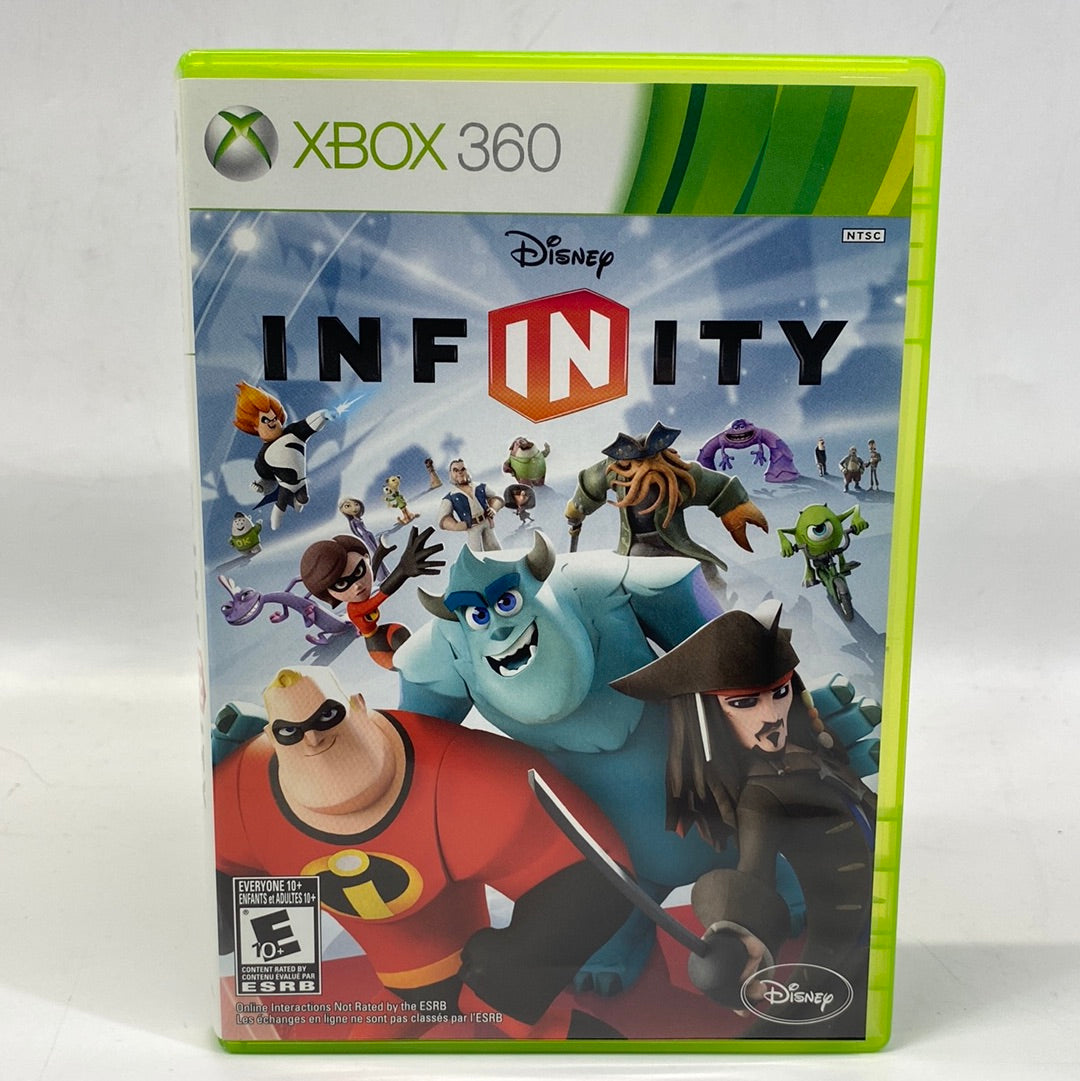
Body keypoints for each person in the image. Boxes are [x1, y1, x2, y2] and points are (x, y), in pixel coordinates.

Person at [213, 665, 632, 1038]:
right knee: (365, 1046)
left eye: (326, 716)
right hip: (405, 978)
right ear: (272, 737)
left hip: (476, 965)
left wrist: (521, 965)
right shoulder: (244, 792)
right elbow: (216, 873)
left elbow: (596, 869)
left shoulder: (464, 775)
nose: (313, 739)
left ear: (357, 706)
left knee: (508, 1002)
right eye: (291, 731)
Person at [610, 604, 876, 1035]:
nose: (771, 715)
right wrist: (736, 941)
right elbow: (755, 870)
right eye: (744, 702)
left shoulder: (812, 753)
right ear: (710, 713)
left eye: (779, 693)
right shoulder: (759, 796)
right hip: (845, 943)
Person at [565, 422, 767, 575]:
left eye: (653, 457)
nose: (647, 465)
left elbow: (718, 486)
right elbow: (589, 484)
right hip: (635, 546)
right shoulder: (615, 472)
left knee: (705, 568)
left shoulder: (679, 475)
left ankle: (717, 609)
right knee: (647, 564)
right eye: (639, 461)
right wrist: (576, 511)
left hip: (674, 541)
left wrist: (735, 505)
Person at [300, 527, 443, 668]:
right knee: (409, 660)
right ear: (327, 592)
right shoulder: (354, 610)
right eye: (342, 584)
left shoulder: (363, 589)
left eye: (359, 571)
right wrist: (402, 571)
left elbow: (374, 575)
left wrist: (381, 554)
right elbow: (381, 595)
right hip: (379, 649)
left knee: (403, 636)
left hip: (386, 634)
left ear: (366, 558)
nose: (357, 586)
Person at [438, 459, 504, 552]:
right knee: (475, 550)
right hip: (472, 526)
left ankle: (498, 559)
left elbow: (498, 497)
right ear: (451, 474)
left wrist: (494, 508)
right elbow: (443, 518)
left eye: (463, 469)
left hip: (486, 521)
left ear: (467, 470)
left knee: (493, 546)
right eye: (456, 470)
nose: (460, 473)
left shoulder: (480, 487)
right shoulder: (450, 497)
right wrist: (455, 525)